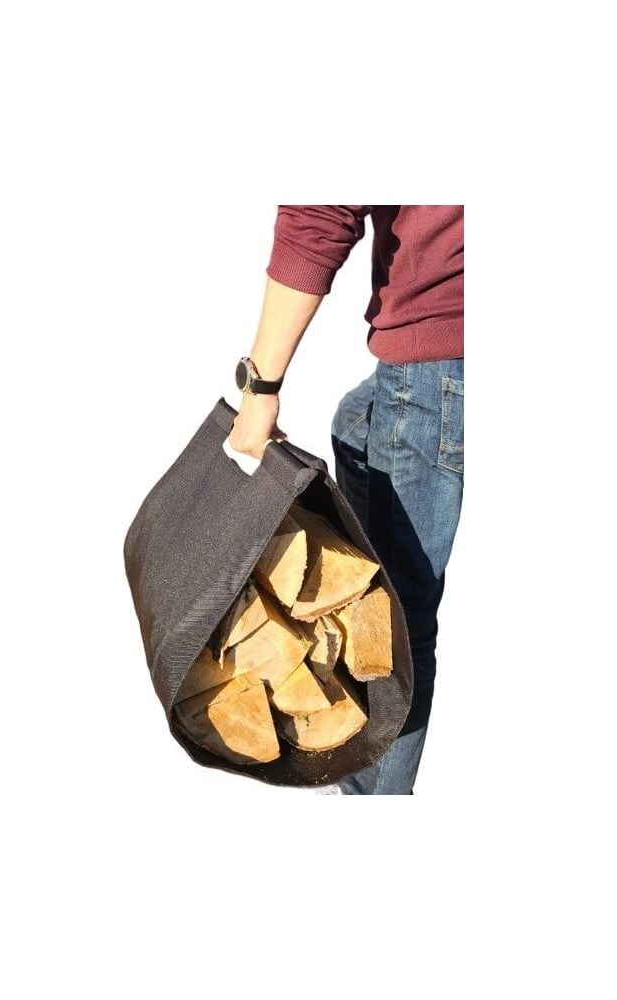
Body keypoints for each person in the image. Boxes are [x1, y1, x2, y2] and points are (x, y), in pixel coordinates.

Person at [229, 205, 464, 795]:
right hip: (446, 348)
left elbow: (319, 214)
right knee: (356, 423)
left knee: (398, 624)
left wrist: (260, 387)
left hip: (440, 356)